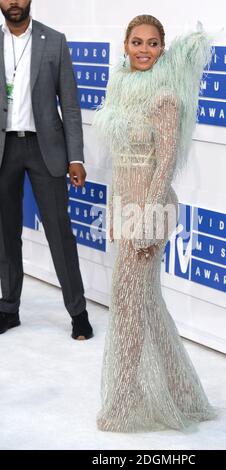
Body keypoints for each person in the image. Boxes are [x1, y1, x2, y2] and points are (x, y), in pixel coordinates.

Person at [93, 14, 216, 432]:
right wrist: (114, 209)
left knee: (128, 306)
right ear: (124, 45)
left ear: (162, 49)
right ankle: (183, 393)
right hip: (126, 206)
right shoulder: (118, 88)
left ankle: (123, 401)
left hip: (152, 209)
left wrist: (145, 220)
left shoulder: (165, 96)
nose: (144, 50)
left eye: (152, 44)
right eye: (136, 42)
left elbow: (164, 164)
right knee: (144, 303)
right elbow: (117, 161)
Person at [0, 0, 93, 340]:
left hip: (45, 149)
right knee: (5, 236)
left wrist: (76, 158)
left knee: (60, 233)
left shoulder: (54, 41)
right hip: (4, 150)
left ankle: (78, 312)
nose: (13, 3)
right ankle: (8, 308)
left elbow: (69, 104)